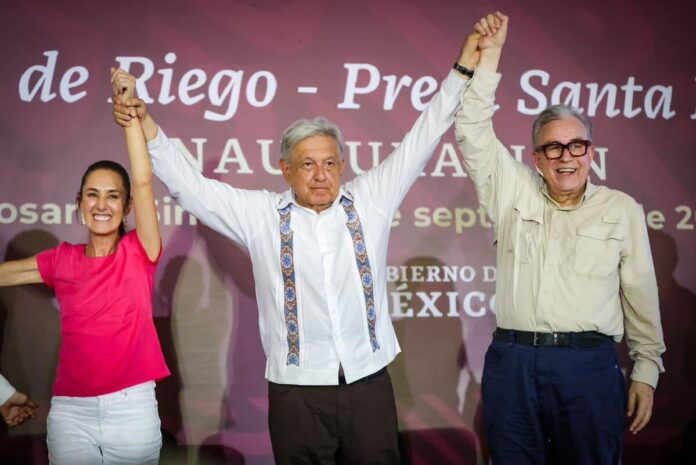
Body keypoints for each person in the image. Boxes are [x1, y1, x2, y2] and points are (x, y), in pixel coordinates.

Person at [110, 19, 486, 463]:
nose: (321, 175)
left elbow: (423, 136)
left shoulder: (371, 200)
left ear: (342, 165)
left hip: (368, 385)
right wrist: (147, 126)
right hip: (296, 393)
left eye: (329, 163)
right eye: (307, 164)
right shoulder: (262, 215)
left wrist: (462, 70)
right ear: (286, 170)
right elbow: (191, 188)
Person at [454, 12, 666, 465]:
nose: (565, 157)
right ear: (537, 157)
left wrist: (646, 370)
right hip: (513, 363)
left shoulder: (620, 209)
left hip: (587, 368)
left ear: (591, 152)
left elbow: (640, 293)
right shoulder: (511, 191)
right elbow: (472, 130)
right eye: (553, 147)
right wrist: (489, 57)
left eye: (576, 146)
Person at [0, 72, 170, 464]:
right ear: (79, 202)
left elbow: (143, 181)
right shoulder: (62, 259)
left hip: (132, 410)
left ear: (127, 206)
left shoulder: (140, 251)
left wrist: (128, 115)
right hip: (70, 412)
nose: (102, 205)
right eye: (92, 195)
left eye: (113, 196)